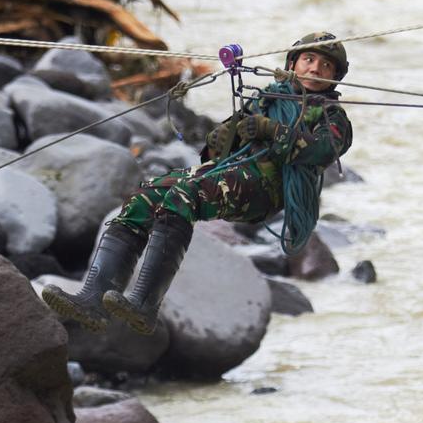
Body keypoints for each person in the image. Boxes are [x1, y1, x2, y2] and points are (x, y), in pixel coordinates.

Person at [42, 32, 354, 335]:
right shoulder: (265, 100)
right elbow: (218, 150)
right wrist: (223, 138)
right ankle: (93, 299)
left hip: (266, 191)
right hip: (233, 174)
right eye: (308, 59)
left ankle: (144, 304)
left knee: (184, 195)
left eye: (326, 65)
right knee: (145, 196)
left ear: (335, 77)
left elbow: (320, 151)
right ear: (292, 63)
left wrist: (271, 130)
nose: (315, 68)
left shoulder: (332, 117)